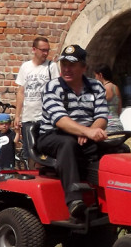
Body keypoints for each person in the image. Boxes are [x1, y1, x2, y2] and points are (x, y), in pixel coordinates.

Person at [38, 44, 114, 219]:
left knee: (119, 150)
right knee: (68, 143)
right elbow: (60, 120)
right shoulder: (52, 88)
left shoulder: (96, 87)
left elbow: (102, 116)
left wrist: (91, 131)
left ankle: (109, 197)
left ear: (83, 68)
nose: (66, 69)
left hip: (85, 134)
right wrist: (86, 132)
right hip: (53, 135)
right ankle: (74, 200)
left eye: (71, 65)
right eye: (63, 64)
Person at [14, 36, 59, 143]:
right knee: (29, 152)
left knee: (44, 152)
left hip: (45, 118)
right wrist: (17, 116)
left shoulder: (52, 66)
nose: (45, 53)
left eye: (47, 50)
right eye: (43, 50)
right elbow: (21, 92)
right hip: (28, 118)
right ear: (34, 49)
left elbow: (57, 91)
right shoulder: (25, 67)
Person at [93, 65, 124, 132]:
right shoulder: (115, 87)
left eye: (95, 76)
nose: (95, 78)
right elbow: (119, 109)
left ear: (100, 75)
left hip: (108, 127)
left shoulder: (103, 89)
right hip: (118, 125)